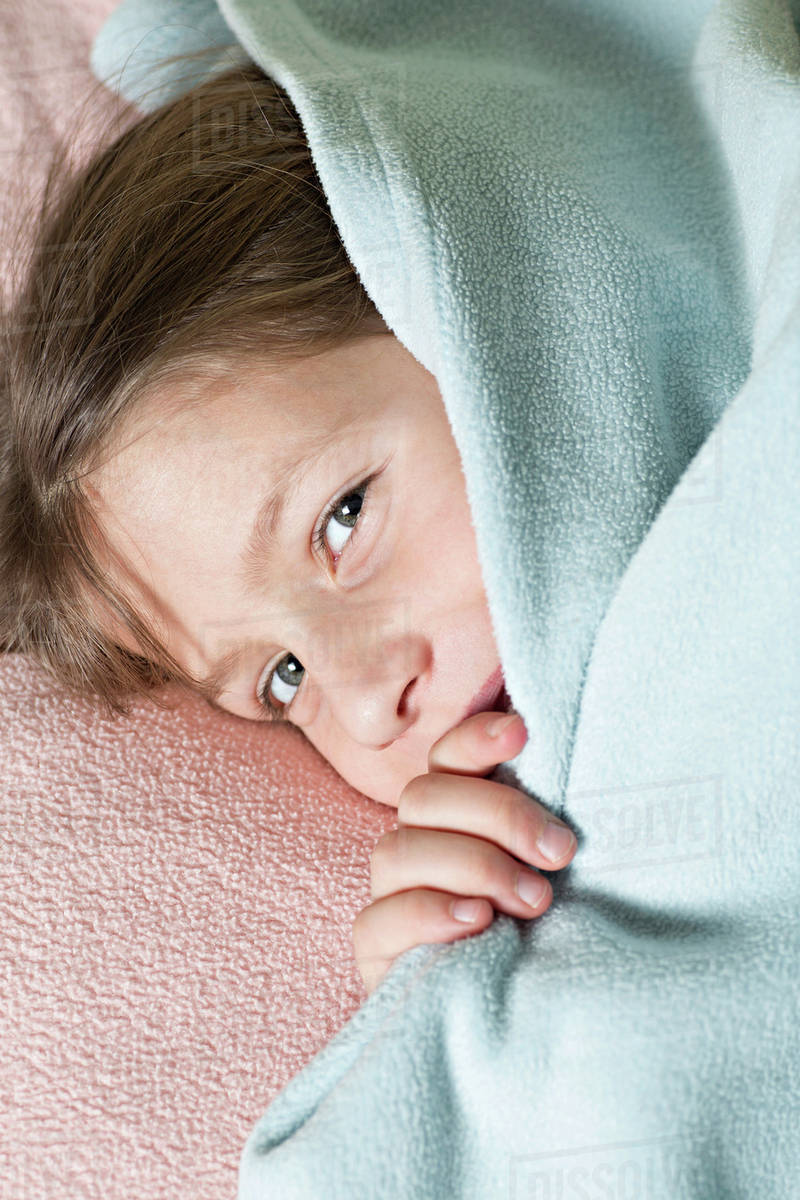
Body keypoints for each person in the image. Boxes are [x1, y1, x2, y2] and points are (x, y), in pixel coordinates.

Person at [0, 59, 576, 996]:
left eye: (344, 521)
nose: (359, 705)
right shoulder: (504, 853)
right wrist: (455, 991)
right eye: (284, 678)